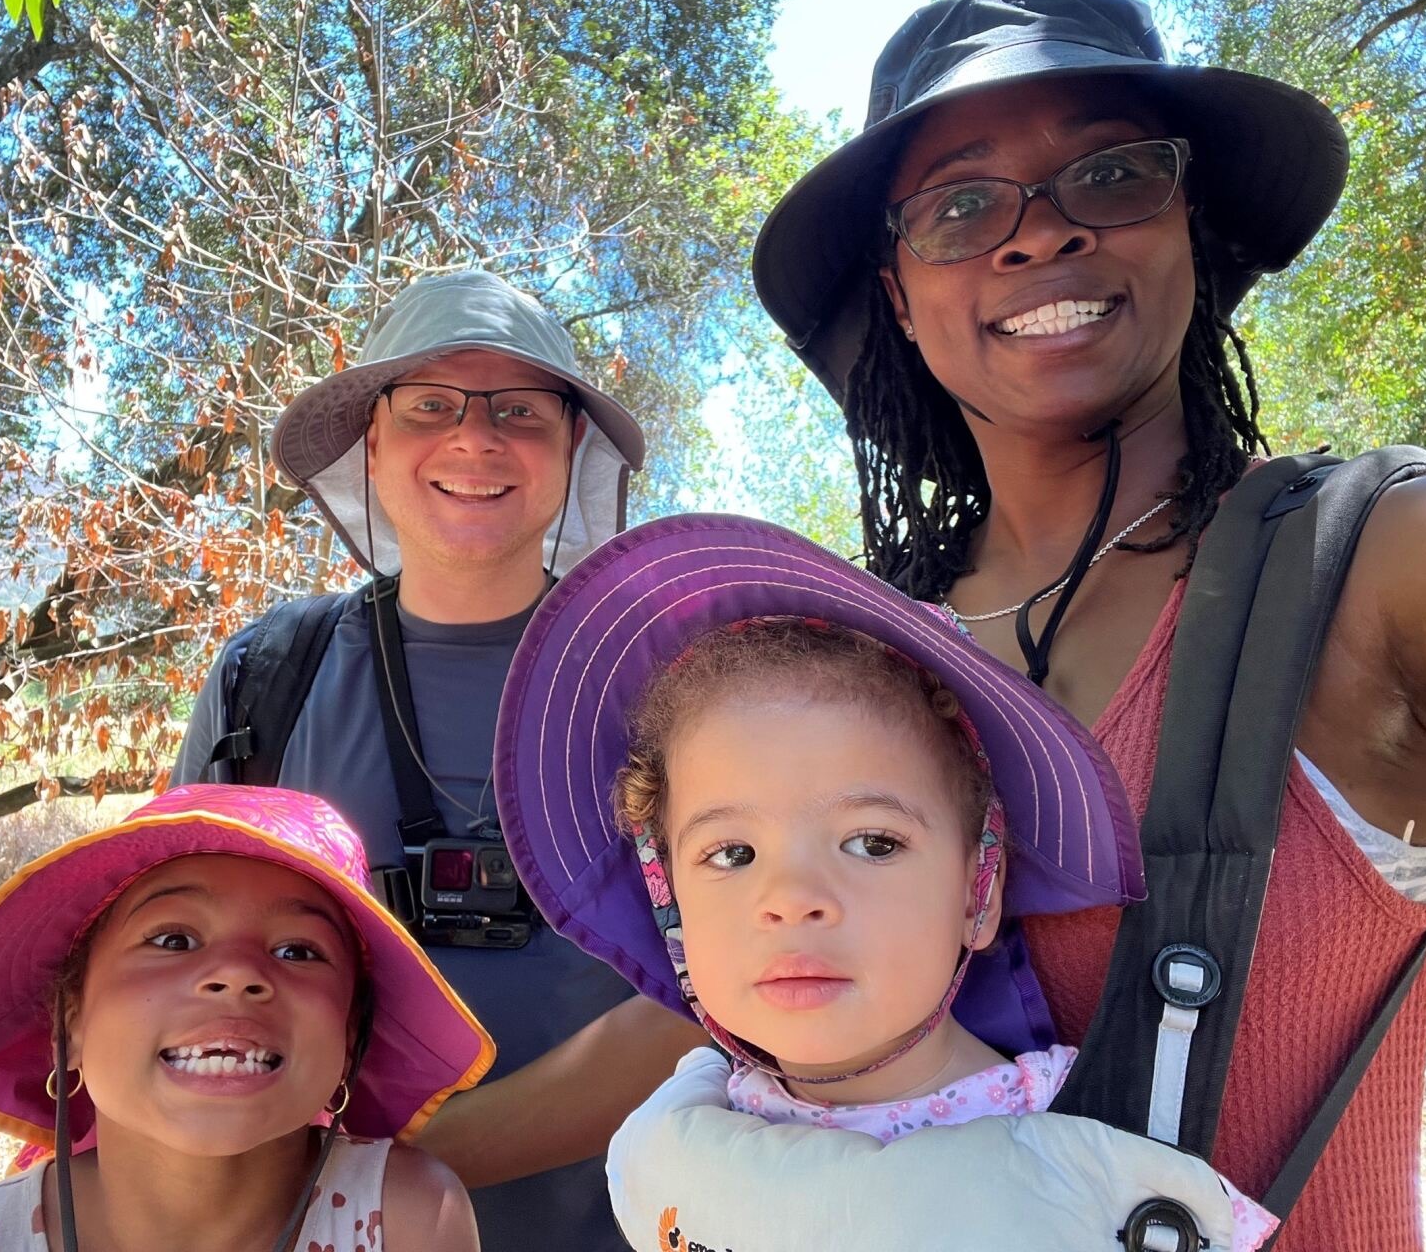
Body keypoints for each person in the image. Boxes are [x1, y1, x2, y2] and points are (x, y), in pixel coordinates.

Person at [599, 0, 1426, 1252]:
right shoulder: (868, 662)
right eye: (961, 206)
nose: (1037, 236)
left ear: (1192, 224)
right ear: (899, 292)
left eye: (1112, 176)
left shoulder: (1376, 570)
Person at [495, 512, 1275, 1250]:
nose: (791, 897)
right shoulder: (682, 1124)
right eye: (732, 855)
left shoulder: (1089, 1140)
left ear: (980, 890)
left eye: (872, 842)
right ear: (672, 909)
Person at [171, 269, 703, 1251]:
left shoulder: (673, 681)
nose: (474, 437)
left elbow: (725, 991)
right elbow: (173, 969)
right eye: (428, 406)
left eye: (519, 410)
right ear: (371, 444)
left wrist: (392, 1172)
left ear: (571, 445)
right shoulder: (265, 676)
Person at [0, 784, 490, 1252]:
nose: (237, 973)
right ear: (68, 1023)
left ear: (348, 1042)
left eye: (298, 951)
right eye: (173, 940)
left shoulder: (407, 1221)